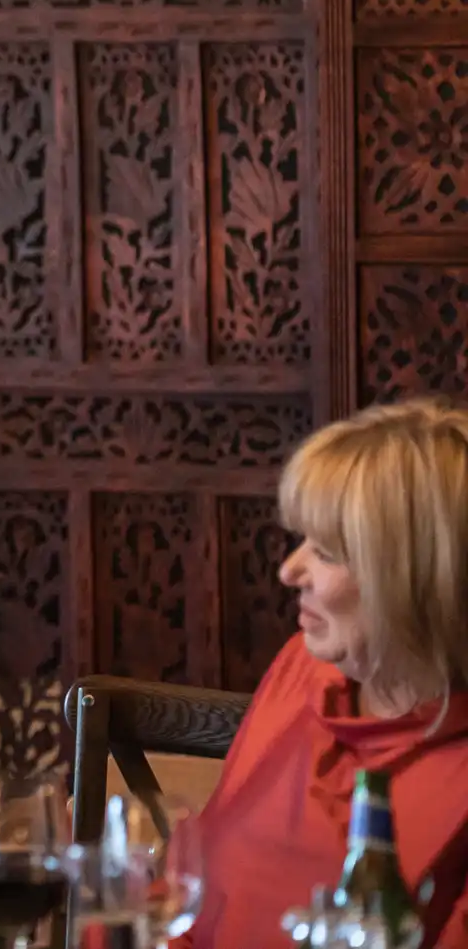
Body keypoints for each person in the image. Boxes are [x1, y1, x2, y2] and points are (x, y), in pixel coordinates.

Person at [187, 399, 468, 949]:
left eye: (327, 551)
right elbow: (196, 897)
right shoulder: (303, 667)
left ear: (416, 582)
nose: (289, 570)